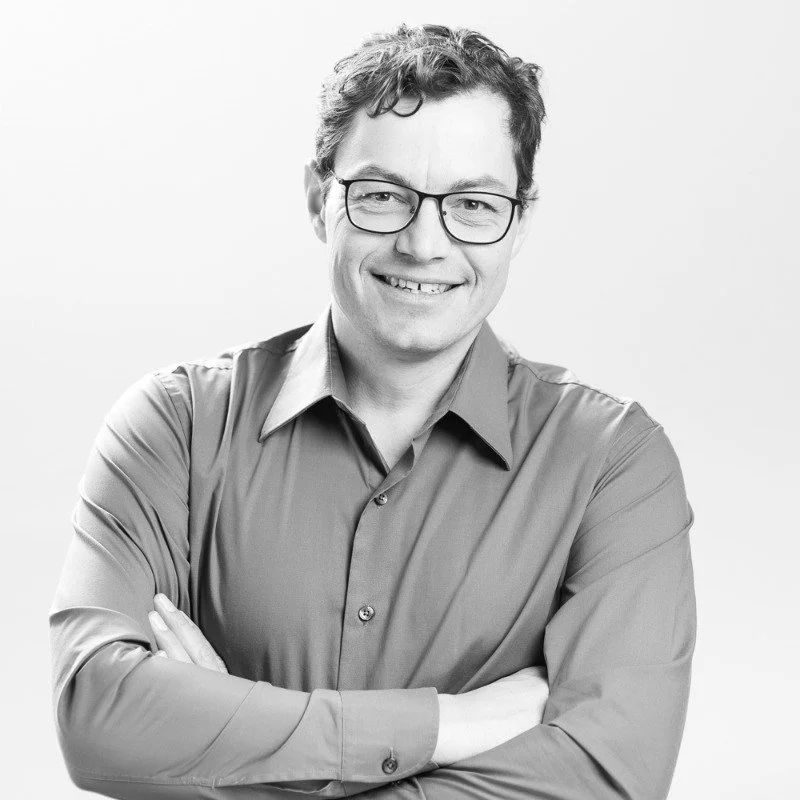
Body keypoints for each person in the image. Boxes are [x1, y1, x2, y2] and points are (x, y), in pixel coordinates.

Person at [49, 22, 696, 800]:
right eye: (384, 196)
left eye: (474, 204)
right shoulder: (176, 429)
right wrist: (443, 726)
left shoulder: (612, 464)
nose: (424, 244)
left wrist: (236, 758)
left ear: (520, 222)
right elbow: (98, 718)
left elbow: (606, 776)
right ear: (318, 201)